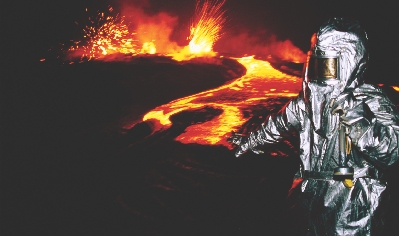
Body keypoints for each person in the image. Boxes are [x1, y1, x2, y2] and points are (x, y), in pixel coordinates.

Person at [229, 17, 399, 235]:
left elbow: (392, 151)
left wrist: (357, 118)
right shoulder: (306, 104)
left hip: (354, 206)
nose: (322, 73)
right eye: (319, 63)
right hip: (309, 202)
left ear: (348, 63)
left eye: (329, 64)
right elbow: (276, 125)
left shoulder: (370, 100)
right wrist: (249, 141)